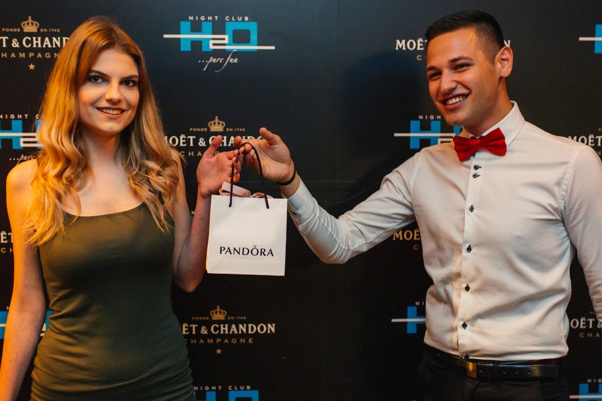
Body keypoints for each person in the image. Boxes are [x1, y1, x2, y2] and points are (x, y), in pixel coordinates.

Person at [235, 10, 602, 401]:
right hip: (438, 380)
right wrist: (289, 179)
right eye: (434, 73)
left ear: (503, 61)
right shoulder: (423, 167)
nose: (445, 85)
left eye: (460, 66)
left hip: (528, 388)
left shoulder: (571, 164)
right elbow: (339, 243)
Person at [0, 16, 241, 401]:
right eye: (97, 79)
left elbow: (187, 277)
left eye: (129, 83)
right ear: (70, 87)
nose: (115, 95)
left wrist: (206, 197)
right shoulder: (28, 182)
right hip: (66, 390)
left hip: (164, 388)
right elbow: (27, 306)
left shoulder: (164, 167)